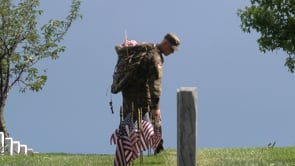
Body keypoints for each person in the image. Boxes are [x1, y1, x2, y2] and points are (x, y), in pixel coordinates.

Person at [121, 32, 180, 154]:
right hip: (142, 96)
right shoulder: (155, 57)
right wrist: (156, 107)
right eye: (171, 49)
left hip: (128, 94)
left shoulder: (148, 48)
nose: (172, 52)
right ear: (165, 43)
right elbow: (155, 85)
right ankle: (158, 149)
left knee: (129, 123)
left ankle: (125, 151)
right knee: (154, 121)